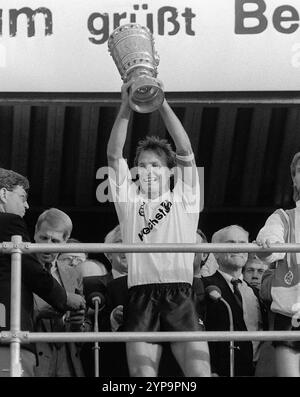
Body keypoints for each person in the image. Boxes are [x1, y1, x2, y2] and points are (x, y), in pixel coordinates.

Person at [106, 81, 210, 377]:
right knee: (142, 380)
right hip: (140, 294)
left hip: (180, 293)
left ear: (170, 171)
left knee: (199, 376)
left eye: (155, 165)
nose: (147, 171)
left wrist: (159, 100)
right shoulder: (129, 201)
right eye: (142, 165)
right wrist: (127, 104)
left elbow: (185, 149)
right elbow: (114, 155)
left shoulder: (185, 198)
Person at [0, 169, 85, 377]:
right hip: (8, 338)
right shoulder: (9, 222)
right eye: (22, 197)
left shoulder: (74, 273)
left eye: (56, 241)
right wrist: (64, 299)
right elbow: (32, 271)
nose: (26, 205)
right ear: (3, 195)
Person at [256, 152, 300, 377]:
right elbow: (271, 245)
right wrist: (268, 243)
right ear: (294, 179)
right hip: (290, 313)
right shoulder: (283, 217)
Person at [202, 225, 267, 376]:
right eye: (231, 243)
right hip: (220, 370)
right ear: (215, 252)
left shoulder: (257, 293)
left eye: (243, 244)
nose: (238, 248)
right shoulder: (203, 287)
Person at [33, 208, 89, 377]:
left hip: (68, 361)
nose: (47, 245)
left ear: (65, 241)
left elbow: (86, 327)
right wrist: (39, 313)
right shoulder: (18, 266)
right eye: (43, 238)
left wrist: (78, 323)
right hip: (32, 358)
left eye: (55, 241)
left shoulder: (74, 273)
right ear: (35, 233)